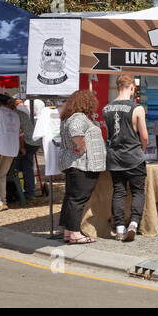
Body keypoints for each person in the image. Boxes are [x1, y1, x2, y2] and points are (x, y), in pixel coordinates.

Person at [103, 75, 149, 241]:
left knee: (119, 192)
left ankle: (120, 227)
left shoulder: (106, 108)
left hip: (115, 156)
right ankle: (134, 223)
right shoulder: (137, 108)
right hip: (133, 156)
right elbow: (144, 136)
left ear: (117, 87)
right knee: (137, 191)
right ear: (131, 87)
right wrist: (141, 150)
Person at [58, 90, 105, 244]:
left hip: (74, 163)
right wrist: (81, 146)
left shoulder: (69, 117)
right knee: (78, 199)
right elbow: (76, 132)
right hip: (81, 163)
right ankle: (74, 234)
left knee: (71, 198)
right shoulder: (78, 117)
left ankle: (68, 231)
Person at [9, 97, 41, 205]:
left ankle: (27, 193)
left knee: (20, 167)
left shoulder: (13, 115)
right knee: (24, 166)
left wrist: (21, 147)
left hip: (28, 142)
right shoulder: (19, 112)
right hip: (34, 141)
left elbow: (20, 133)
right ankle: (26, 192)